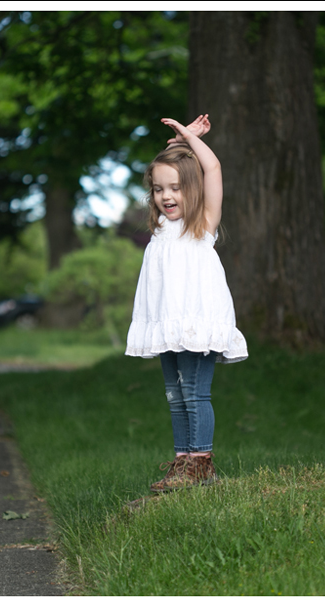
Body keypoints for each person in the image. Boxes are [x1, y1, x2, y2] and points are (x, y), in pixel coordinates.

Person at [125, 114, 248, 493]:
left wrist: (187, 139)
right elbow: (170, 168)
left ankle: (202, 464)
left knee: (194, 393)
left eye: (176, 189)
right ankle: (183, 463)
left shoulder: (204, 223)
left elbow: (209, 167)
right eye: (159, 190)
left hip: (196, 321)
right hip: (167, 323)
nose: (166, 196)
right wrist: (182, 141)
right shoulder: (161, 228)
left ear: (192, 190)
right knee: (174, 394)